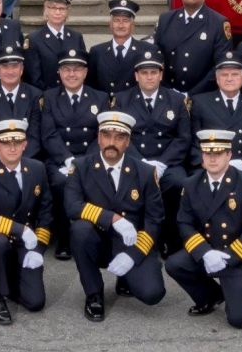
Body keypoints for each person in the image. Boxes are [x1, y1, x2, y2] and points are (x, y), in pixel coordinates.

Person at [166, 129, 242, 329]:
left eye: (218, 153)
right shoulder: (191, 184)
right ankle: (211, 296)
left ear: (229, 155)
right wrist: (205, 253)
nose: (212, 158)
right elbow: (184, 223)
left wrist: (229, 257)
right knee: (175, 264)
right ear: (202, 157)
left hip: (239, 257)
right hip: (209, 251)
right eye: (208, 153)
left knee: (239, 320)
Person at [63, 111, 167, 322]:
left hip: (132, 242)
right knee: (80, 230)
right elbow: (72, 206)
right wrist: (112, 219)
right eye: (107, 135)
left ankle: (126, 277)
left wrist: (133, 255)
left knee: (152, 293)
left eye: (119, 137)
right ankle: (94, 293)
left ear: (127, 142)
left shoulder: (146, 172)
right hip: (97, 241)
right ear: (99, 138)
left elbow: (155, 219)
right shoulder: (81, 167)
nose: (112, 142)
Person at [0, 119, 52, 325]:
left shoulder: (37, 168)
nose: (12, 148)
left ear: (25, 144)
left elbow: (46, 210)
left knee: (35, 302)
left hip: (24, 241)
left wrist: (39, 247)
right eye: (6, 143)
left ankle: (9, 275)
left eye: (17, 142)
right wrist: (20, 229)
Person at [111, 50, 190, 255]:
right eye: (144, 73)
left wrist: (161, 163)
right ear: (136, 76)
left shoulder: (176, 100)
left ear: (161, 75)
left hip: (167, 163)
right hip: (133, 159)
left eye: (153, 72)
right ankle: (132, 237)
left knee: (179, 183)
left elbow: (183, 138)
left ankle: (170, 238)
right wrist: (141, 163)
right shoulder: (122, 99)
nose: (149, 77)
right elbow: (119, 135)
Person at [42, 48, 108, 260]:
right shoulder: (49, 97)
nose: (72, 74)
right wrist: (67, 159)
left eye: (77, 69)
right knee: (61, 183)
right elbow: (49, 134)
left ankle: (97, 237)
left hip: (91, 158)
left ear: (85, 72)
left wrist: (84, 162)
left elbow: (102, 134)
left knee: (98, 182)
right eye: (67, 69)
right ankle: (64, 238)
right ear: (59, 72)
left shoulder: (100, 98)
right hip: (60, 159)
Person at [153, 0, 232, 95]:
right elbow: (156, 57)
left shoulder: (218, 23)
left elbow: (220, 65)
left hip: (202, 96)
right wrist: (168, 90)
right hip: (168, 93)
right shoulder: (166, 19)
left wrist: (191, 95)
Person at [189, 52, 242, 173]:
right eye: (224, 75)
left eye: (235, 74)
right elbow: (193, 140)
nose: (229, 79)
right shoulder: (199, 102)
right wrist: (205, 163)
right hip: (208, 167)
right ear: (217, 79)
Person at [0, 46, 43, 159]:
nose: (10, 72)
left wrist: (19, 162)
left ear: (22, 69)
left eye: (15, 66)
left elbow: (34, 136)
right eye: (5, 67)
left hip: (27, 159)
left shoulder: (35, 95)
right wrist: (4, 160)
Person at [23, 0, 85, 90]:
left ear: (67, 11)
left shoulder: (76, 37)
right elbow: (33, 79)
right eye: (53, 8)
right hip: (46, 95)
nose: (57, 12)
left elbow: (82, 70)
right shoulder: (34, 39)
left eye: (62, 8)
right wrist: (52, 96)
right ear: (45, 10)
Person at [87, 0, 153, 96]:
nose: (121, 25)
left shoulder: (146, 50)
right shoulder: (97, 52)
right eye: (116, 20)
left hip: (134, 104)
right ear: (110, 24)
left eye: (125, 21)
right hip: (106, 104)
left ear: (133, 25)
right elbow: (91, 87)